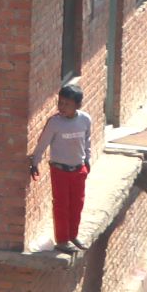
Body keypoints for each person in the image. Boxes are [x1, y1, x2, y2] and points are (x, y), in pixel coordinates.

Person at [27, 84, 94, 252]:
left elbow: (87, 141)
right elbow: (42, 143)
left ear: (77, 105)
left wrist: (87, 161)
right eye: (60, 103)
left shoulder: (85, 120)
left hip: (78, 169)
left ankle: (73, 235)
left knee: (77, 204)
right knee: (61, 206)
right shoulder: (54, 123)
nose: (62, 107)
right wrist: (35, 162)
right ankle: (62, 240)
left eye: (67, 104)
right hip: (60, 170)